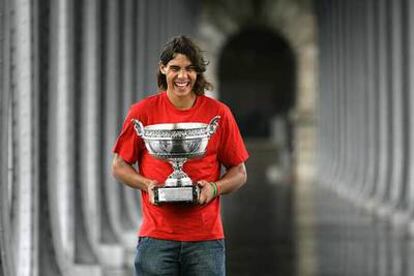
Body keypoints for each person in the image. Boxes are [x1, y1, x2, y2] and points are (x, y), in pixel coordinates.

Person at [111, 35, 249, 276]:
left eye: (189, 69)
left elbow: (240, 172)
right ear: (163, 69)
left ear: (198, 73)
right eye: (175, 68)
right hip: (156, 238)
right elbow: (119, 166)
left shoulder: (219, 113)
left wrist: (213, 189)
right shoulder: (142, 112)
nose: (182, 76)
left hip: (206, 239)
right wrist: (148, 185)